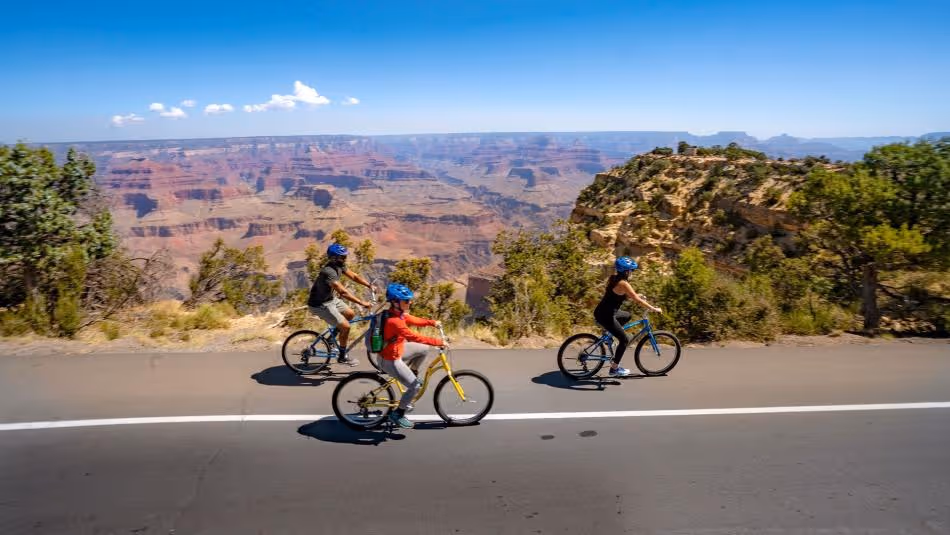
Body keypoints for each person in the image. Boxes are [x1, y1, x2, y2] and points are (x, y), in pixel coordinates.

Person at [377, 282, 445, 429]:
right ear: (395, 302)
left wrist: (432, 323)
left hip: (398, 350)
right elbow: (414, 337)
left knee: (423, 349)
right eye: (406, 300)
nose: (410, 302)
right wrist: (438, 342)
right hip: (390, 360)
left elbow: (413, 319)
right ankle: (398, 414)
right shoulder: (394, 321)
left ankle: (412, 374)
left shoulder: (397, 314)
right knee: (415, 386)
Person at [307, 243, 375, 366]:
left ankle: (331, 339)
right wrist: (362, 302)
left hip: (330, 300)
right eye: (342, 257)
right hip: (319, 305)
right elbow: (343, 292)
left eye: (345, 257)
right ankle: (342, 357)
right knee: (346, 327)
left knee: (350, 314)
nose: (345, 259)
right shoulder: (328, 271)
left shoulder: (340, 265)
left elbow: (354, 276)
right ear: (334, 258)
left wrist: (368, 285)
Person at [593, 256, 662, 377]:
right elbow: (636, 299)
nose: (632, 273)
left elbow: (624, 294)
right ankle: (614, 369)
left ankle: (608, 334)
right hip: (606, 315)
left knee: (627, 315)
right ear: (626, 271)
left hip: (603, 312)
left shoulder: (614, 279)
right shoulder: (624, 283)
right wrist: (653, 308)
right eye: (631, 270)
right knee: (624, 340)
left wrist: (637, 295)